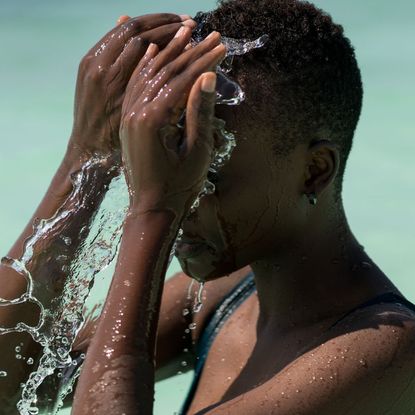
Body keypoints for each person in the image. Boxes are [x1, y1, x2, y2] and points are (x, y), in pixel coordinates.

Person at [1, 1, 415, 414]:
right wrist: (88, 155)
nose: (184, 207)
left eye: (206, 178)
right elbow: (10, 385)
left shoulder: (388, 351)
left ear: (314, 171)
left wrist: (155, 209)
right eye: (163, 170)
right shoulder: (225, 297)